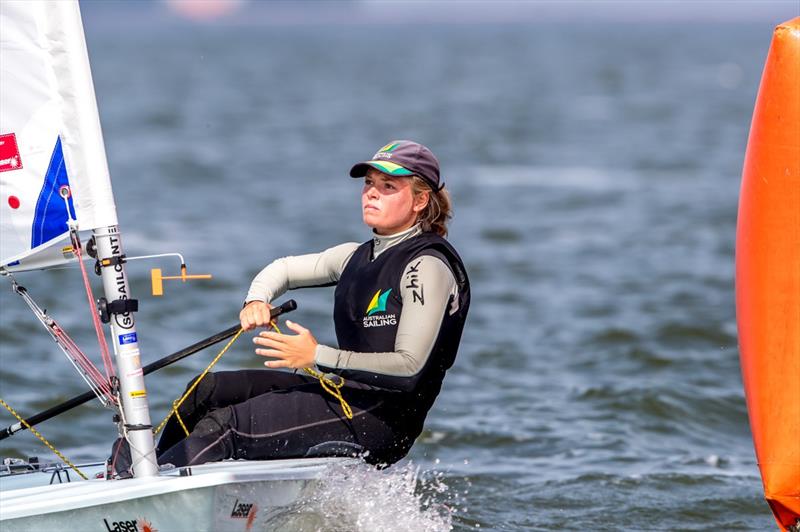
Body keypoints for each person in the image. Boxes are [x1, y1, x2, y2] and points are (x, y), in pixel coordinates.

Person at [148, 140, 470, 469]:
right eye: (369, 184)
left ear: (420, 200)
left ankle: (150, 503)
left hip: (382, 420)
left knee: (226, 427)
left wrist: (316, 355)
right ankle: (144, 474)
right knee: (206, 391)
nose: (371, 193)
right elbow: (283, 269)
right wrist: (256, 299)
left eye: (388, 186)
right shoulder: (353, 257)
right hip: (345, 394)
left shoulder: (426, 266)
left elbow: (410, 368)